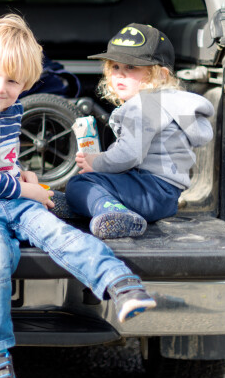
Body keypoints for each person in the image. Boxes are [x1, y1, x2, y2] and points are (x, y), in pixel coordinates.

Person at [0, 14, 155, 378]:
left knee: (61, 234)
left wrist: (23, 175)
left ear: (27, 84)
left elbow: (2, 161)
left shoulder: (12, 109)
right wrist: (31, 191)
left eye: (13, 81)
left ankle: (120, 283)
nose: (0, 89)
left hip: (10, 196)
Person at [65, 23, 214, 239]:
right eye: (115, 67)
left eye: (131, 67)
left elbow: (129, 155)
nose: (120, 75)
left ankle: (113, 213)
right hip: (166, 196)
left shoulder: (142, 106)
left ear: (160, 75)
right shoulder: (168, 103)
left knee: (81, 183)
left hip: (149, 190)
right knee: (96, 181)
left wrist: (97, 161)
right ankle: (89, 204)